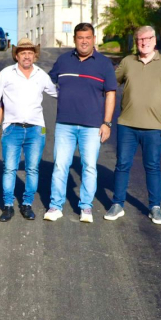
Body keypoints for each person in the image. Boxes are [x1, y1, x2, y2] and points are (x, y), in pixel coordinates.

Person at [104, 26, 161, 225]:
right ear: (136, 42)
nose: (143, 42)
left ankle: (155, 207)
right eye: (139, 39)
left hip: (154, 127)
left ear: (155, 40)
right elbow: (111, 83)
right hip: (126, 125)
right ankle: (117, 204)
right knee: (122, 165)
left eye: (147, 38)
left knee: (152, 167)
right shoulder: (128, 62)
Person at [44, 23, 117, 223]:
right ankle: (55, 206)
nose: (84, 41)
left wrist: (107, 123)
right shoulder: (63, 60)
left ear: (93, 39)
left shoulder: (103, 64)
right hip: (65, 124)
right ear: (74, 39)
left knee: (89, 167)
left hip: (92, 126)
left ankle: (86, 207)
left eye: (87, 37)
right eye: (79, 37)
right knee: (60, 165)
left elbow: (111, 94)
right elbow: (45, 81)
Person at [0, 38, 58, 222]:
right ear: (16, 55)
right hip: (12, 129)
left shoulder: (41, 75)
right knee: (9, 169)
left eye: (30, 52)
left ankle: (27, 204)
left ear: (35, 55)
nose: (27, 56)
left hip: (36, 130)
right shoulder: (6, 74)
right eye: (23, 52)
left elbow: (57, 93)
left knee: (32, 169)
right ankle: (8, 206)